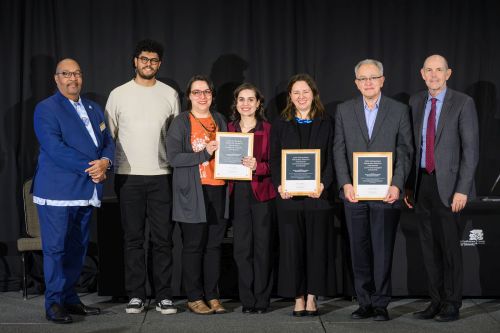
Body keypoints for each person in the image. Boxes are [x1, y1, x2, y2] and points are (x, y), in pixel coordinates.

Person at [32, 58, 115, 323]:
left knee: (77, 249)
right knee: (56, 249)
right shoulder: (46, 109)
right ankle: (53, 302)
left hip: (86, 190)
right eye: (66, 73)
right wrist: (93, 168)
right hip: (57, 191)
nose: (73, 78)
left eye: (77, 73)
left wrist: (106, 162)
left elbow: (108, 141)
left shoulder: (93, 108)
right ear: (56, 79)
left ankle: (69, 297)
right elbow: (54, 148)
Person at [333, 59, 413, 321]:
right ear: (356, 83)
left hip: (386, 194)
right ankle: (364, 302)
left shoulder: (399, 110)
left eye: (373, 77)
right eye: (363, 78)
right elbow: (339, 150)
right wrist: (345, 183)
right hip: (354, 194)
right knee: (359, 250)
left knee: (382, 250)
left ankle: (381, 303)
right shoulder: (345, 110)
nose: (368, 82)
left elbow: (405, 151)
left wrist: (397, 185)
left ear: (382, 80)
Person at [105, 39, 180, 315]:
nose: (149, 64)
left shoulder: (170, 94)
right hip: (128, 177)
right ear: (135, 61)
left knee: (163, 239)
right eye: (144, 59)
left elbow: (176, 138)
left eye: (154, 60)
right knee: (133, 239)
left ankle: (164, 296)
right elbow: (108, 138)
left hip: (162, 176)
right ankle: (136, 295)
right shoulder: (118, 94)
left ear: (160, 64)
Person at [404, 54, 479, 322]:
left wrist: (462, 189)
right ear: (422, 74)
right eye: (429, 70)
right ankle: (435, 301)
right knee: (428, 247)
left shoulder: (463, 102)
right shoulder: (415, 101)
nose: (434, 74)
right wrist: (408, 186)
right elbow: (412, 148)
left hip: (449, 187)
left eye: (439, 70)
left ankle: (452, 303)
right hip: (422, 182)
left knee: (449, 248)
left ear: (448, 74)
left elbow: (471, 151)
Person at [270, 73, 335, 317]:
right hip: (289, 198)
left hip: (318, 197)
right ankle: (297, 296)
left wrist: (324, 184)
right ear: (290, 97)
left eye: (305, 92)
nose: (301, 96)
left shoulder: (327, 122)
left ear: (313, 94)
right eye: (296, 92)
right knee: (292, 248)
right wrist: (279, 184)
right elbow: (275, 158)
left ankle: (312, 296)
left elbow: (332, 158)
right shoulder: (280, 123)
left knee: (316, 249)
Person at [166, 75, 228, 315]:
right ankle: (194, 297)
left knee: (213, 246)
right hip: (192, 192)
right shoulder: (181, 122)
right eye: (197, 92)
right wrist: (204, 154)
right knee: (193, 245)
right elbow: (174, 158)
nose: (202, 96)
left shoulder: (220, 119)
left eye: (207, 92)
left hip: (218, 188)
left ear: (212, 95)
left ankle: (212, 295)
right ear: (189, 96)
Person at [228, 83, 276, 314]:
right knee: (241, 248)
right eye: (241, 99)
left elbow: (276, 164)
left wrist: (260, 166)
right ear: (236, 104)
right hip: (237, 193)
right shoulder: (228, 129)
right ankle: (247, 300)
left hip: (262, 193)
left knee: (262, 247)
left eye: (250, 99)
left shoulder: (268, 129)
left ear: (258, 103)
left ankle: (262, 299)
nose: (246, 103)